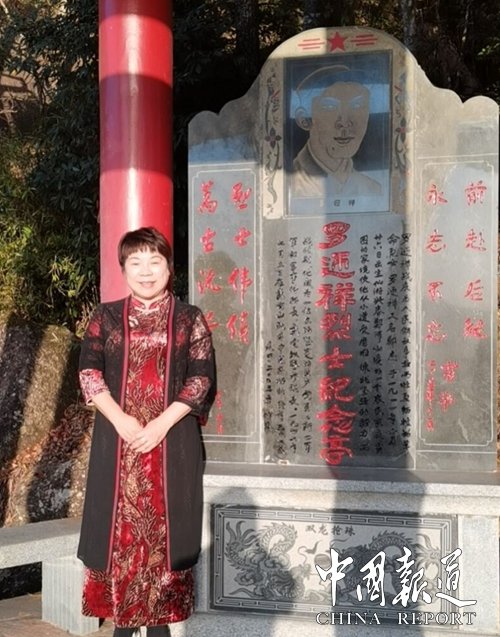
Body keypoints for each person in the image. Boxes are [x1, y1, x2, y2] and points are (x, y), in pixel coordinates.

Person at [77, 227, 215, 637]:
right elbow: (89, 373)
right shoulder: (105, 316)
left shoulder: (189, 318)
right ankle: (122, 623)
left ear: (169, 268)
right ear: (123, 269)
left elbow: (201, 379)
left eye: (155, 262)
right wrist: (121, 420)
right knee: (117, 533)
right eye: (135, 262)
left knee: (165, 535)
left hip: (170, 441)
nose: (146, 271)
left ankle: (159, 625)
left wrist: (159, 425)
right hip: (117, 442)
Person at [291, 65, 382, 198]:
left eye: (357, 105)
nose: (345, 122)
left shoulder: (372, 189)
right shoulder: (287, 184)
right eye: (330, 106)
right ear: (304, 119)